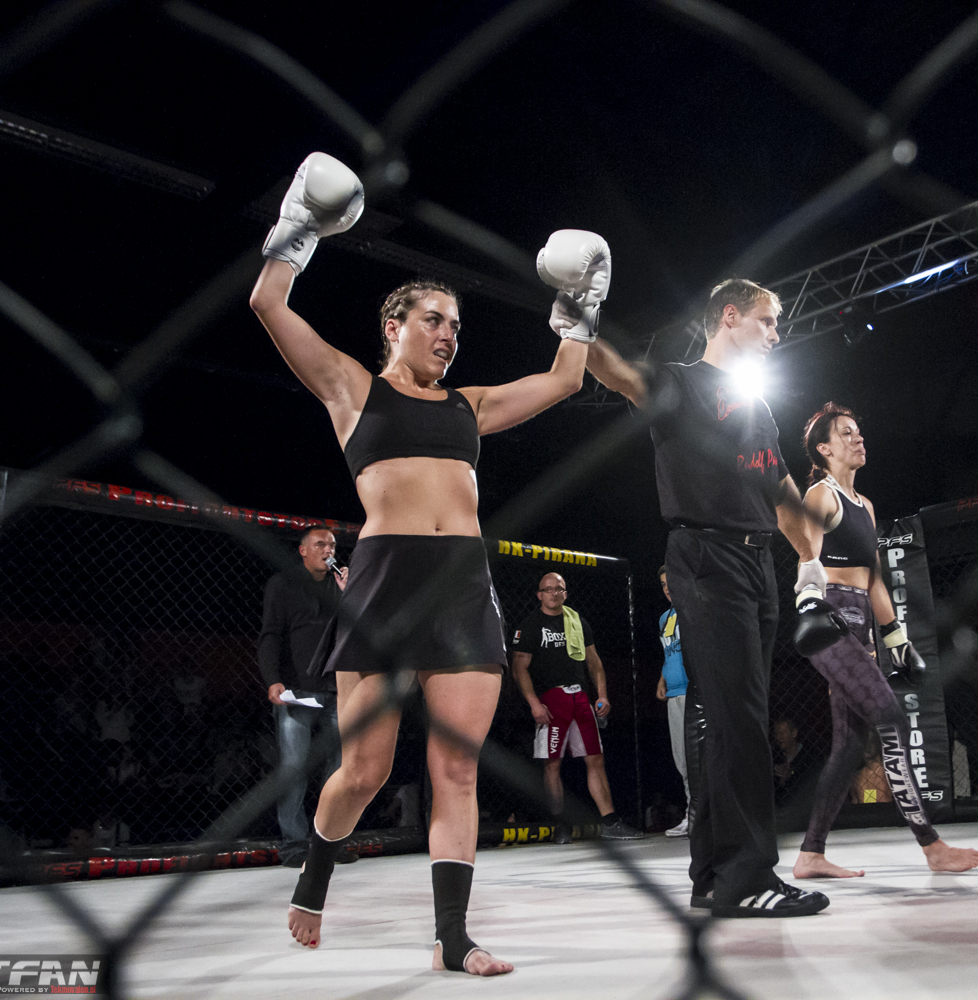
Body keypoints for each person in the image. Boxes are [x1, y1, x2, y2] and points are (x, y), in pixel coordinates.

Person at [249, 151, 604, 975]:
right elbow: (267, 302)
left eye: (456, 326)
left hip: (463, 588)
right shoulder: (352, 389)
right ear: (394, 326)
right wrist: (299, 230)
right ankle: (315, 872)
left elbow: (564, 378)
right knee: (362, 772)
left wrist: (582, 306)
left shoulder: (469, 407)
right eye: (434, 320)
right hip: (383, 585)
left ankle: (452, 936)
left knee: (456, 769)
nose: (449, 334)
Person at [584, 277, 829, 917]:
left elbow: (780, 491)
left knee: (733, 716)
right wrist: (578, 313)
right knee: (738, 719)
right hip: (705, 556)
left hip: (758, 562)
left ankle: (714, 878)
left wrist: (811, 564)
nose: (776, 333)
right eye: (767, 321)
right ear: (729, 316)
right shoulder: (681, 383)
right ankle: (746, 878)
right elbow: (616, 372)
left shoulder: (758, 407)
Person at [788, 403, 978, 879]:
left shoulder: (865, 505)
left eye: (858, 431)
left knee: (849, 745)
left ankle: (811, 854)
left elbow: (874, 577)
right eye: (846, 433)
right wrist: (809, 600)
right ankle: (931, 845)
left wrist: (896, 637)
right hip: (829, 617)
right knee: (891, 717)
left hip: (861, 622)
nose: (858, 438)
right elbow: (806, 551)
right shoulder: (820, 494)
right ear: (824, 448)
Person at [510, 571, 643, 842]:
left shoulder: (577, 621)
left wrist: (602, 695)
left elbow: (594, 661)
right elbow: (519, 667)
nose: (554, 593)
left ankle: (609, 821)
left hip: (580, 697)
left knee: (595, 759)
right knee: (552, 764)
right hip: (550, 701)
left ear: (565, 593)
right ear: (539, 594)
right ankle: (560, 824)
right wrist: (534, 704)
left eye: (559, 589)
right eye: (548, 589)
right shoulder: (530, 624)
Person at [258, 527, 349, 867]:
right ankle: (294, 845)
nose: (328, 550)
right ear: (303, 551)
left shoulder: (343, 585)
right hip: (296, 691)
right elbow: (270, 634)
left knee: (341, 769)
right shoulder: (283, 584)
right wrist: (273, 680)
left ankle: (329, 842)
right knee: (294, 768)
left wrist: (350, 593)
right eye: (320, 544)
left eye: (332, 545)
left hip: (337, 689)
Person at [655, 565, 691, 837]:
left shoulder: (695, 609)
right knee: (682, 760)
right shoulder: (665, 618)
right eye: (663, 585)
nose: (668, 588)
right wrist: (663, 678)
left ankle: (709, 814)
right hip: (674, 693)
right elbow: (670, 652)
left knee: (701, 757)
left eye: (671, 582)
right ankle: (693, 813)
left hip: (695, 691)